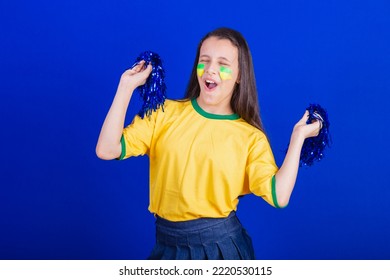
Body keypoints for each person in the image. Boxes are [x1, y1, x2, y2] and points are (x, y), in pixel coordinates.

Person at [96, 27, 321, 260]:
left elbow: (279, 196)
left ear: (240, 75)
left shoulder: (250, 138)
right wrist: (126, 86)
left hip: (220, 250)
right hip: (166, 245)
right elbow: (107, 149)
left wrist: (297, 139)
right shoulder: (162, 113)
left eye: (223, 64)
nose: (210, 70)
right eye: (205, 61)